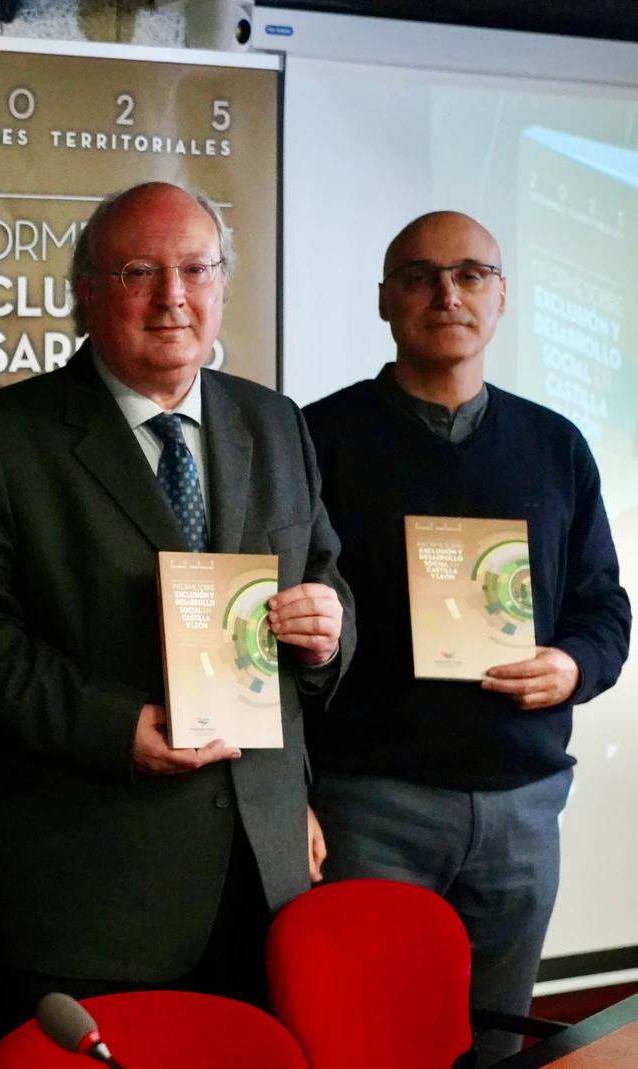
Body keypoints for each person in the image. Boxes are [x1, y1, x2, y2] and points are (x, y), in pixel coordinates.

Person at [0, 181, 353, 1047]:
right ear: (86, 289)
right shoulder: (0, 438)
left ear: (222, 282)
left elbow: (327, 578)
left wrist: (328, 635)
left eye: (196, 269)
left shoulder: (275, 422)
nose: (172, 296)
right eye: (139, 272)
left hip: (259, 876)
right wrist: (114, 727)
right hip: (88, 893)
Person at [303, 211, 630, 1065]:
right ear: (385, 299)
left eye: (471, 274)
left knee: (495, 1047)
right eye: (419, 276)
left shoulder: (556, 445)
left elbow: (605, 608)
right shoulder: (316, 439)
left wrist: (573, 665)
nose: (447, 294)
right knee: (366, 1045)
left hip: (523, 807)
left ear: (502, 296)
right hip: (369, 807)